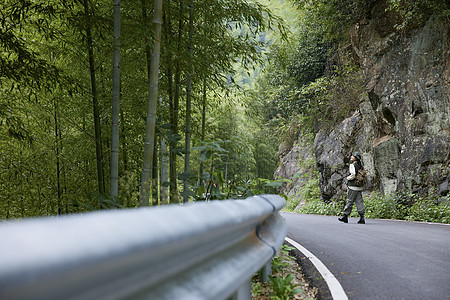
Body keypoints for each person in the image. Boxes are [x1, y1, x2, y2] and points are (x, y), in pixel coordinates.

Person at [338, 152, 365, 224]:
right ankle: (362, 217)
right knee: (359, 201)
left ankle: (345, 216)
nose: (351, 156)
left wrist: (347, 178)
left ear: (355, 158)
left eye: (353, 156)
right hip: (359, 187)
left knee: (350, 201)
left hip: (352, 187)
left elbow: (353, 175)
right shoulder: (360, 165)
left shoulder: (352, 165)